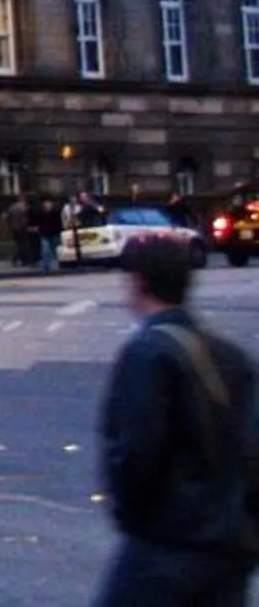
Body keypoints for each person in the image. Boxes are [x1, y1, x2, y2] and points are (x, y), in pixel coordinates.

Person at [95, 234, 257, 604]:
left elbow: (136, 452)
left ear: (138, 283)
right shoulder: (231, 355)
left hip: (169, 542)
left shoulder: (147, 352)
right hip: (230, 542)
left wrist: (133, 516)